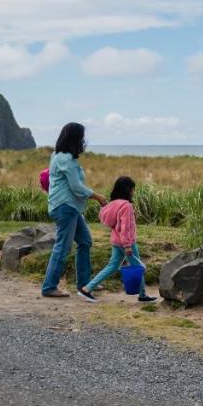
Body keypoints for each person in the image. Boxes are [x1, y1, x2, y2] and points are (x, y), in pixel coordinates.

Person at [41, 122, 106, 298]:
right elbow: (76, 187)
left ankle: (85, 283)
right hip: (65, 208)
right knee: (62, 248)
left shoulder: (59, 155)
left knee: (85, 241)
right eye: (81, 137)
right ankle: (49, 287)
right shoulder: (65, 160)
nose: (83, 141)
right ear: (75, 138)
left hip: (70, 208)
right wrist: (97, 196)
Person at [80, 176, 157, 304]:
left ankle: (87, 288)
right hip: (127, 242)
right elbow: (126, 227)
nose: (134, 192)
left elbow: (109, 220)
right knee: (138, 267)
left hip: (116, 241)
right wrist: (127, 245)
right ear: (127, 189)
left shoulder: (113, 204)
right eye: (133, 189)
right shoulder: (126, 206)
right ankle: (142, 295)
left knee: (112, 266)